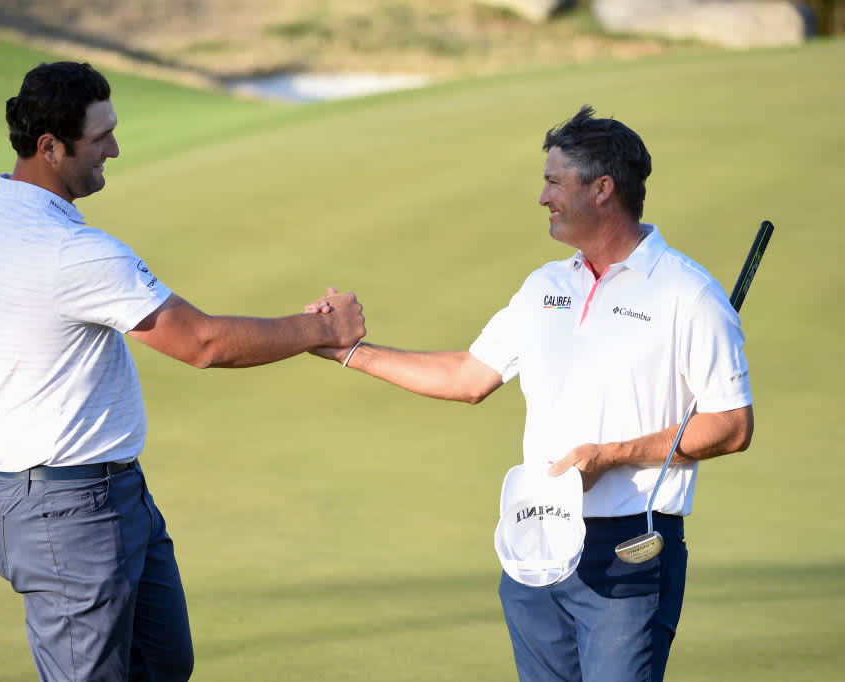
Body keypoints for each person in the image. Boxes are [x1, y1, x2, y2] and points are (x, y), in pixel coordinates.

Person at [0, 61, 365, 682]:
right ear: (49, 147)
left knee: (163, 663)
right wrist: (325, 330)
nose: (115, 148)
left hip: (98, 495)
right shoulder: (73, 252)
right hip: (70, 511)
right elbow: (203, 342)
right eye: (100, 138)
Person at [309, 105, 754, 681]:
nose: (542, 197)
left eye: (552, 181)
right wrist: (343, 349)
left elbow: (732, 425)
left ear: (601, 189)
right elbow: (469, 376)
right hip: (536, 538)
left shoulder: (689, 295)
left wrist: (612, 455)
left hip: (629, 546)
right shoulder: (546, 286)